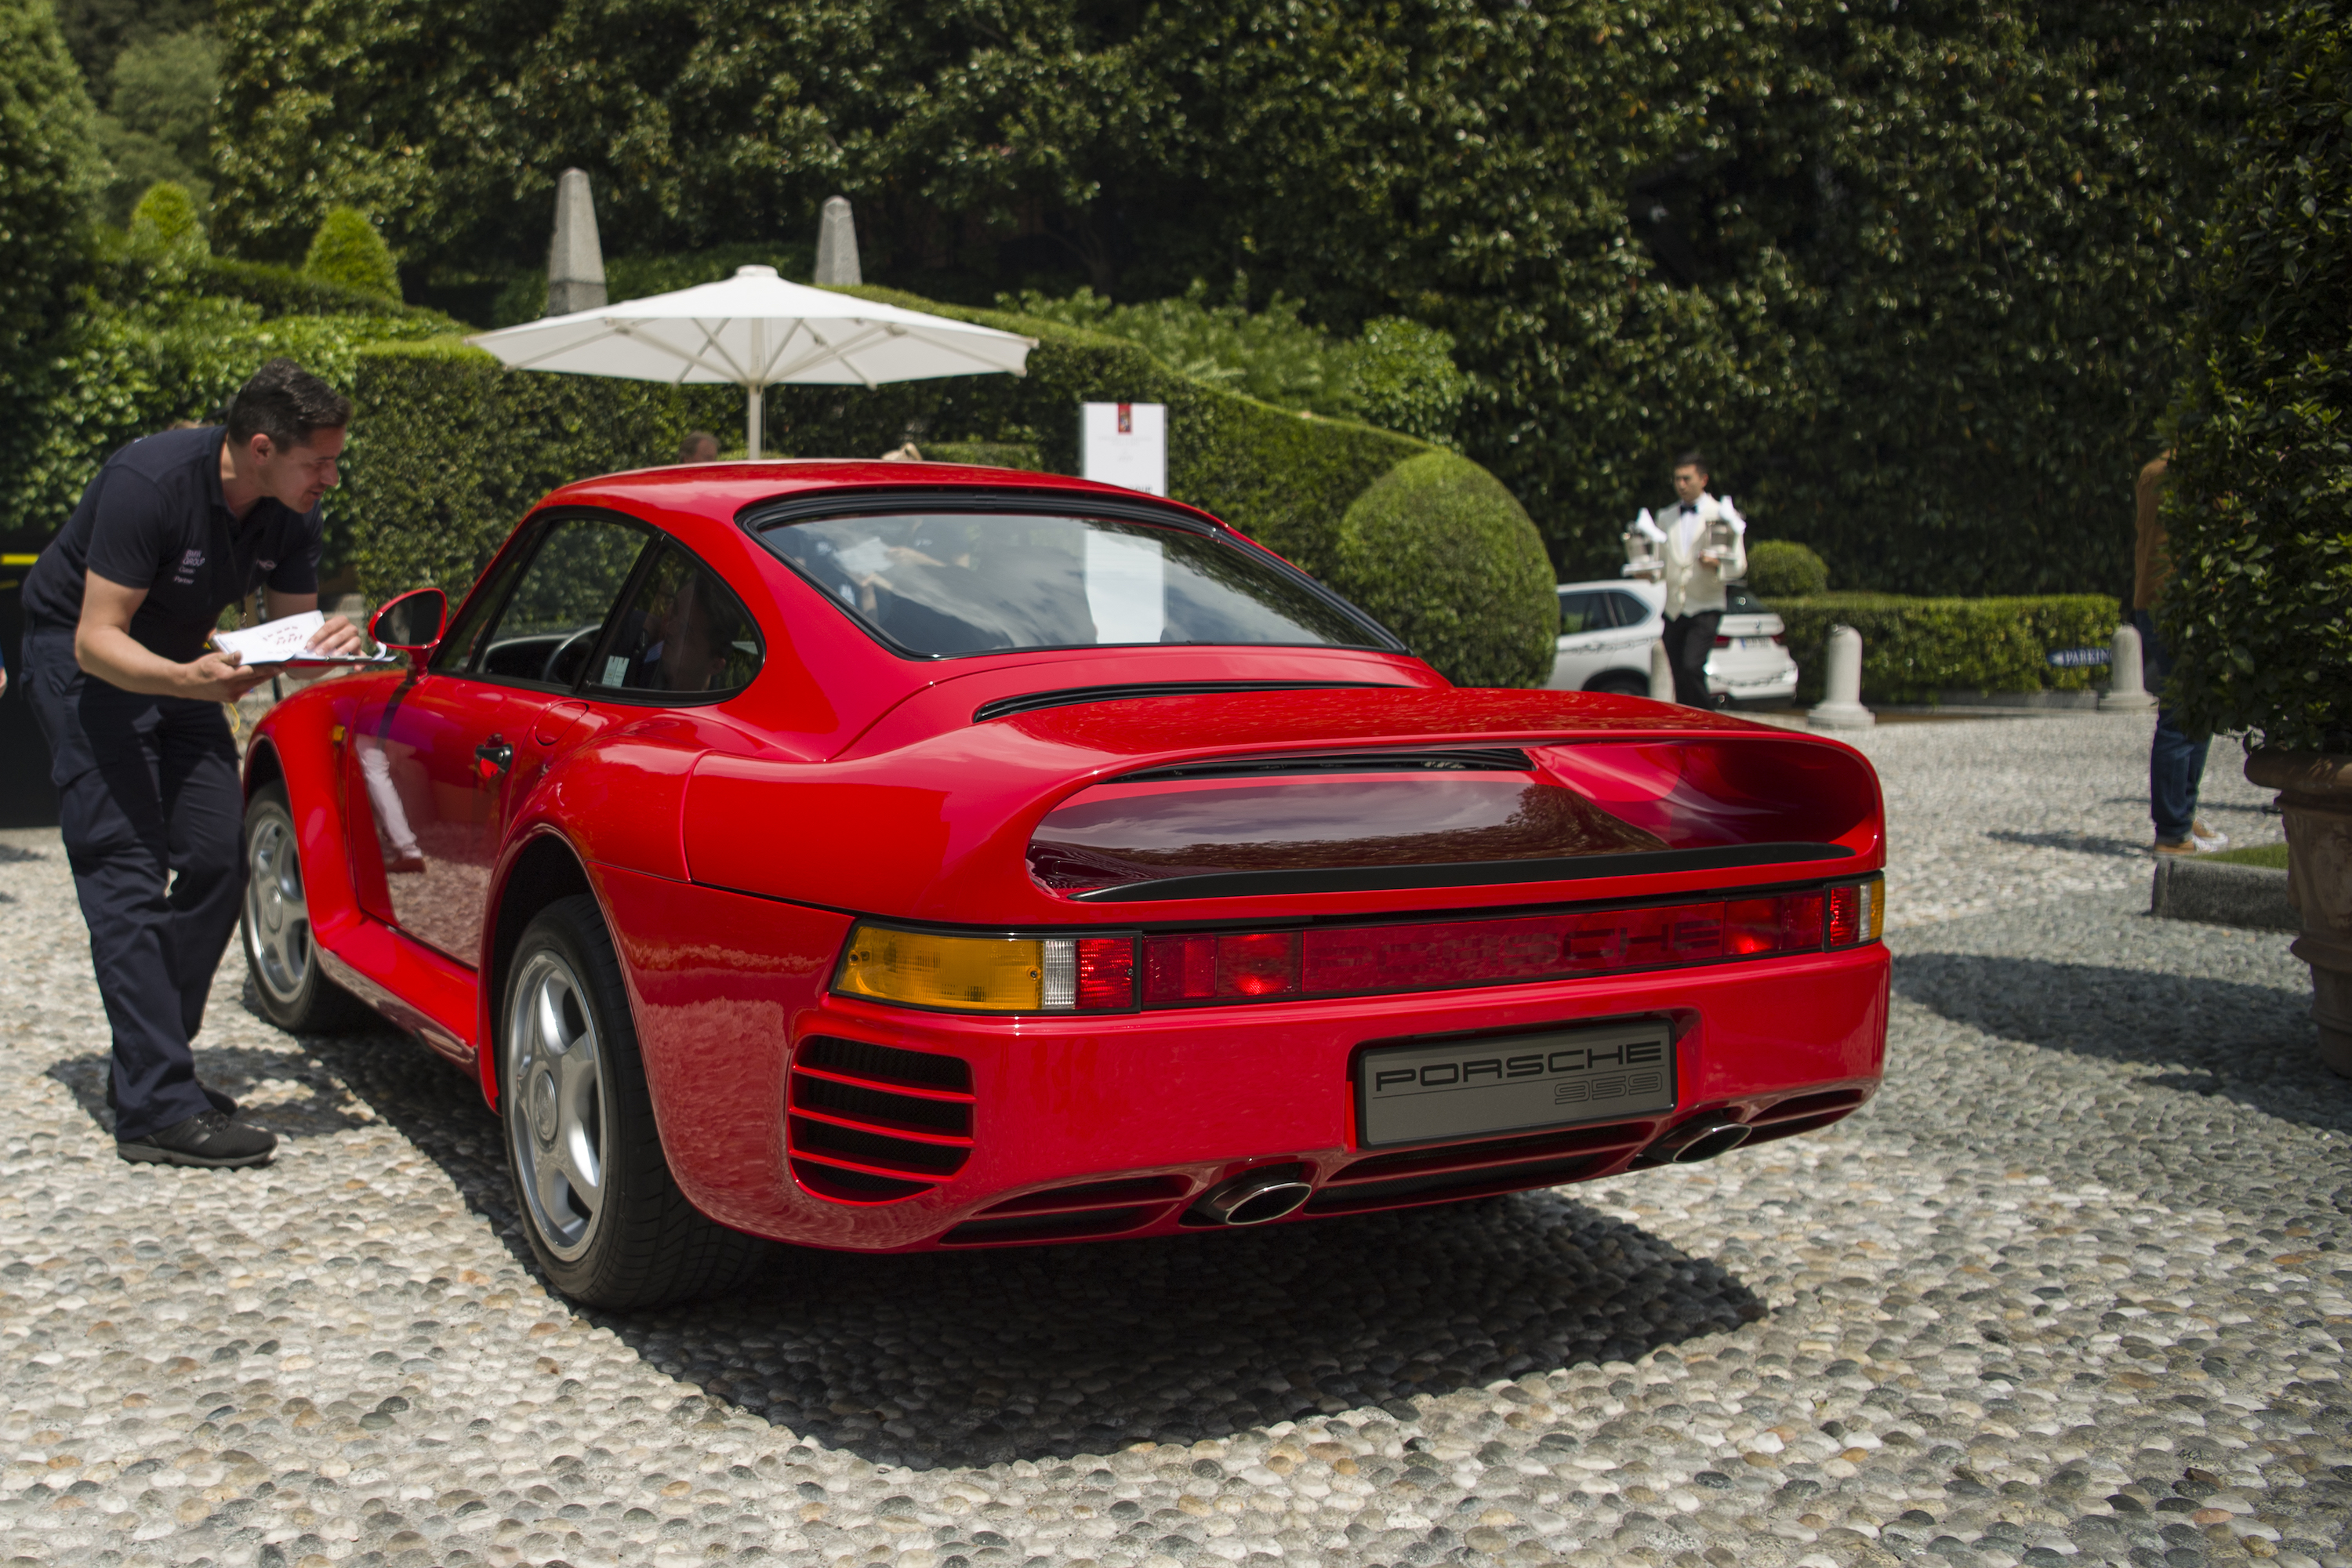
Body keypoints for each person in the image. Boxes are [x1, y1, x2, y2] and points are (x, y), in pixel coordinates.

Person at [18, 358, 364, 1168]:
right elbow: (94, 638)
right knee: (127, 870)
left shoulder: (292, 509)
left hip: (183, 664)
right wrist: (187, 683)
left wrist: (334, 646)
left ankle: (147, 1066)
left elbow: (288, 641)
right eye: (318, 461)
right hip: (85, 665)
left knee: (217, 859)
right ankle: (157, 1106)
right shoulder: (151, 483)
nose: (331, 478)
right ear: (260, 447)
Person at [2134, 452, 2227, 856]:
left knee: (2191, 711)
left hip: (2153, 600)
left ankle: (2182, 818)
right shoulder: (2204, 470)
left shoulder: (2153, 470)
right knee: (2182, 715)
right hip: (2185, 604)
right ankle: (2173, 833)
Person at [1630, 451, 1748, 706]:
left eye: (1686, 479)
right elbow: (1661, 565)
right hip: (1674, 609)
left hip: (1706, 605)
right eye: (1677, 479)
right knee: (1678, 673)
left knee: (1691, 666)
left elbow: (1739, 566)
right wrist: (1647, 573)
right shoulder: (1666, 516)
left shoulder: (1723, 514)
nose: (1681, 485)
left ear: (1703, 479)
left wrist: (1717, 565)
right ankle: (1689, 721)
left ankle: (1707, 719)